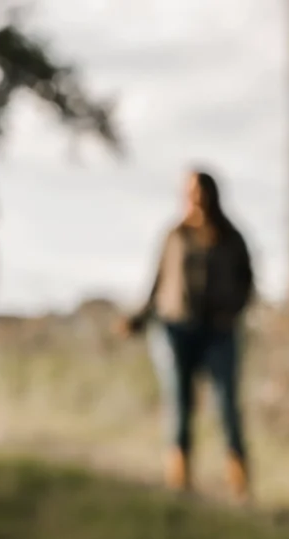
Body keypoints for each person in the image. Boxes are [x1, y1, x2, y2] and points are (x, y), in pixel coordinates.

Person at [120, 170, 255, 501]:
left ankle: (239, 479)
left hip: (219, 333)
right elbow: (157, 282)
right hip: (175, 328)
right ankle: (179, 478)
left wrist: (231, 312)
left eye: (200, 190)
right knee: (179, 403)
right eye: (189, 191)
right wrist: (138, 319)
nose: (195, 197)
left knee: (226, 405)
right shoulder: (175, 235)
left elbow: (248, 283)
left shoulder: (231, 237)